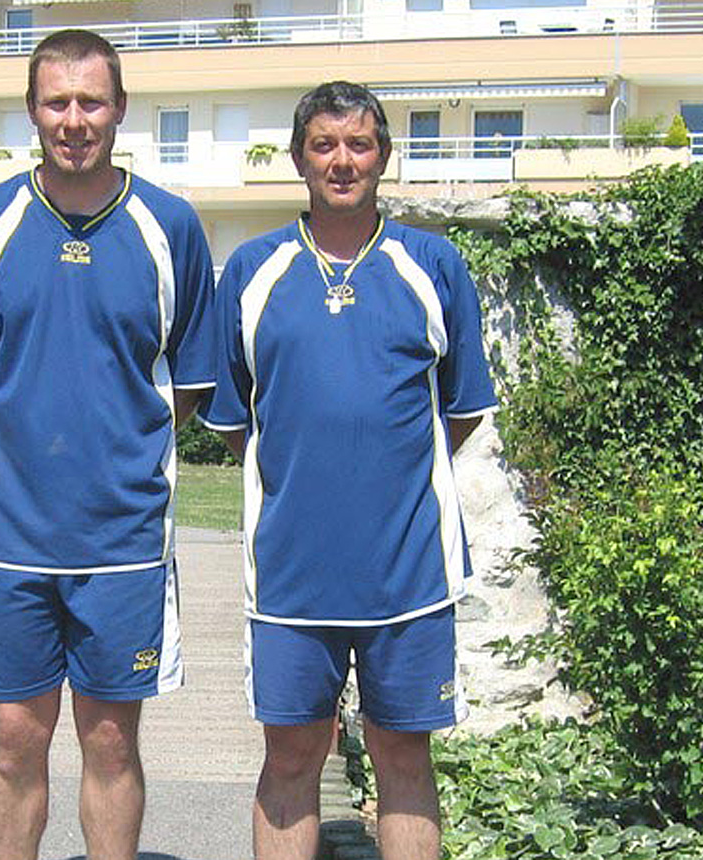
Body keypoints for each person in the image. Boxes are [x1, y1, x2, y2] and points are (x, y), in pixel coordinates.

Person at [0, 29, 215, 860]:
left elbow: (189, 383)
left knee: (111, 744)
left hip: (125, 539)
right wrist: (14, 459)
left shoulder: (170, 226)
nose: (74, 120)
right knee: (16, 743)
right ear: (31, 110)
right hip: (11, 538)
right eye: (57, 102)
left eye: (91, 101)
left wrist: (120, 454)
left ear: (120, 109)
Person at [201, 81, 497, 860]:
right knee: (291, 759)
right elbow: (236, 422)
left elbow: (461, 410)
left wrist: (389, 473)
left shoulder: (433, 265)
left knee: (404, 758)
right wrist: (307, 474)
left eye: (359, 144)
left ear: (383, 156)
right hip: (291, 574)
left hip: (410, 571)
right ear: (299, 158)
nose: (342, 161)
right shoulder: (254, 270)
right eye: (325, 145)